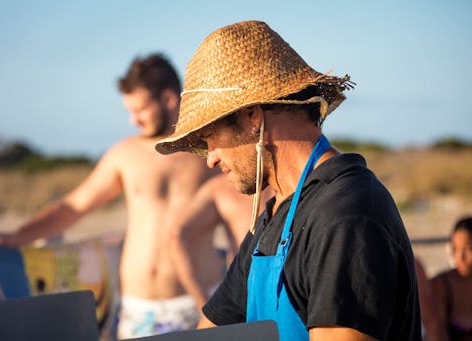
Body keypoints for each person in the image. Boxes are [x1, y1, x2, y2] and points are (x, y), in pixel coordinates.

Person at [155, 20, 421, 341]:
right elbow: (213, 332)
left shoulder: (345, 213)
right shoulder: (272, 219)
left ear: (253, 117)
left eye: (210, 137)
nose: (209, 157)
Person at [0, 53, 219, 338]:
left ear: (169, 100)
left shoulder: (211, 150)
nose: (133, 120)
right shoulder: (124, 155)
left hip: (201, 304)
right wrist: (17, 237)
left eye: (140, 109)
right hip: (140, 309)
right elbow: (73, 206)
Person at [171, 173, 273, 311]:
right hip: (248, 296)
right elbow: (178, 235)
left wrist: (204, 306)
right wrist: (204, 306)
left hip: (261, 293)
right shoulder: (219, 188)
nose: (212, 160)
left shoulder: (220, 187)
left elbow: (178, 235)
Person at [431, 216, 472, 341]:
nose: (459, 256)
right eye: (455, 249)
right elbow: (435, 333)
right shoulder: (442, 285)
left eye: (468, 248)